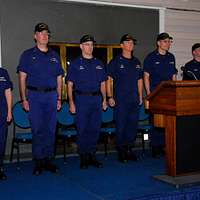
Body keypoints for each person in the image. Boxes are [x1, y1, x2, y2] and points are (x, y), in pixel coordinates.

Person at [17, 23, 64, 175]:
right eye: (41, 33)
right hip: (35, 96)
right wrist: (24, 99)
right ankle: (38, 161)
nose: (45, 36)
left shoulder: (54, 56)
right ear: (35, 36)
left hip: (51, 96)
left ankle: (48, 160)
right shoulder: (27, 55)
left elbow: (59, 79)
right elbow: (22, 78)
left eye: (47, 33)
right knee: (37, 129)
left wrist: (58, 98)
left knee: (51, 130)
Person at [66, 35, 107, 169]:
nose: (90, 47)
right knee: (82, 128)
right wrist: (71, 102)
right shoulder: (75, 63)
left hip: (96, 99)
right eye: (87, 44)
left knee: (95, 128)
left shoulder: (99, 63)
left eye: (92, 44)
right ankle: (84, 156)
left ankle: (92, 155)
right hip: (81, 99)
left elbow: (103, 84)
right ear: (81, 46)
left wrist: (104, 99)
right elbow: (70, 84)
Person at [107, 34, 143, 163]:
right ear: (121, 45)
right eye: (128, 42)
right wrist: (110, 96)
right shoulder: (116, 61)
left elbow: (140, 80)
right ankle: (121, 151)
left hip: (134, 99)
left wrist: (140, 96)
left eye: (132, 42)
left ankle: (129, 149)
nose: (130, 44)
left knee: (132, 125)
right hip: (121, 100)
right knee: (121, 125)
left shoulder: (136, 62)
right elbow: (109, 80)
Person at [143, 32, 177, 157]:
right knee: (156, 121)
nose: (168, 44)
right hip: (156, 94)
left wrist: (175, 91)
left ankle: (164, 145)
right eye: (165, 41)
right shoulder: (151, 57)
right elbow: (146, 76)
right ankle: (155, 146)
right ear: (158, 43)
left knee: (167, 121)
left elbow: (173, 75)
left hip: (168, 94)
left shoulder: (171, 57)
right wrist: (149, 94)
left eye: (169, 41)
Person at [0, 67, 12, 180]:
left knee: (1, 141)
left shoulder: (3, 72)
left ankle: (0, 168)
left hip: (2, 113)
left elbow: (7, 92)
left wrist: (9, 111)